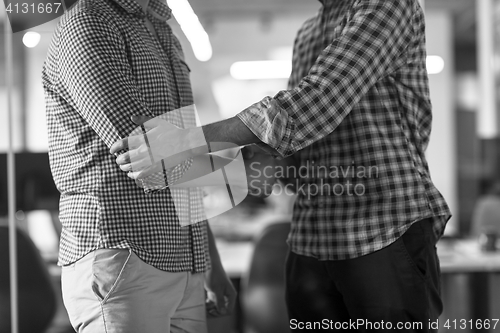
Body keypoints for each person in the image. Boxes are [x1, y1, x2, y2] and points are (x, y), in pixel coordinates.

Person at [112, 0, 451, 331]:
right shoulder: (309, 32)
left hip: (382, 230)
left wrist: (186, 141)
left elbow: (313, 105)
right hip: (312, 238)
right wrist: (208, 168)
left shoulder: (386, 6)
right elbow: (295, 147)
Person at [42, 0, 236, 331]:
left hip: (183, 260)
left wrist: (209, 260)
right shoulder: (90, 22)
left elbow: (181, 158)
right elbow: (147, 152)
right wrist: (238, 143)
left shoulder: (162, 28)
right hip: (124, 254)